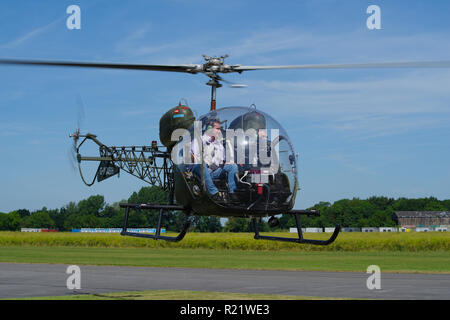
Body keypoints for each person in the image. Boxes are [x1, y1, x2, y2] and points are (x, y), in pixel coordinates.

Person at [191, 119, 239, 202]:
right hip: (200, 170)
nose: (220, 131)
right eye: (218, 129)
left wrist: (227, 163)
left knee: (233, 166)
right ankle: (214, 194)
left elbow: (222, 162)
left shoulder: (219, 145)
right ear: (210, 129)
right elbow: (193, 156)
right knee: (202, 165)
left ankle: (232, 192)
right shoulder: (198, 140)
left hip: (214, 172)